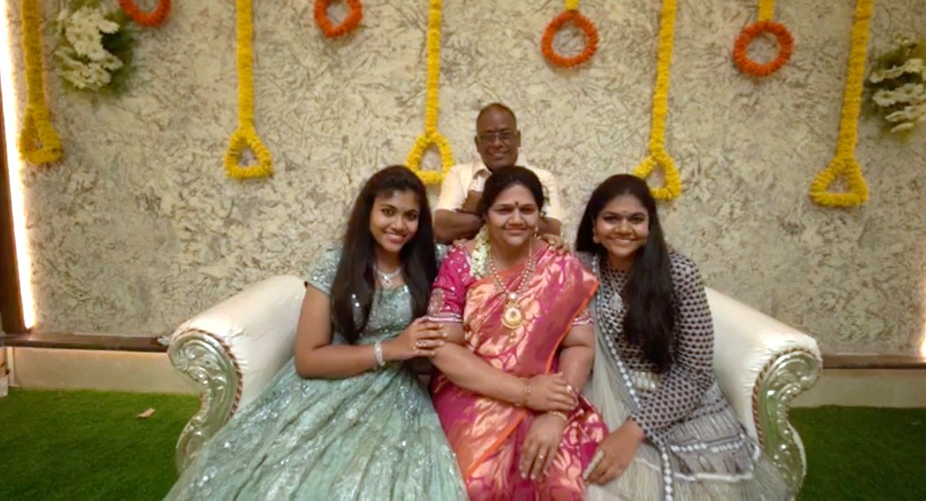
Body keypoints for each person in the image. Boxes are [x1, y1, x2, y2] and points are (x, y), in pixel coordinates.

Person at [166, 166, 466, 500]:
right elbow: (308, 359)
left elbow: (483, 263)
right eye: (388, 212)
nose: (398, 225)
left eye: (410, 215)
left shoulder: (434, 260)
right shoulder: (337, 262)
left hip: (396, 390)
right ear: (368, 212)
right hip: (326, 385)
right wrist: (391, 349)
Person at [575, 175, 789, 500]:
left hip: (673, 397)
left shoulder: (679, 274)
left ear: (650, 226)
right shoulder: (581, 267)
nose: (623, 228)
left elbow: (695, 372)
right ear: (594, 226)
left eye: (636, 219)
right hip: (602, 391)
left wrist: (634, 430)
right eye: (611, 218)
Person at [427, 165, 607, 499]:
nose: (516, 219)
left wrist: (555, 413)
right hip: (472, 389)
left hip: (547, 390)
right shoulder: (461, 263)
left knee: (559, 481)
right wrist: (524, 392)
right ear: (485, 214)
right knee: (479, 482)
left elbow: (579, 346)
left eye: (527, 210)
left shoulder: (560, 265)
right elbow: (442, 348)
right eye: (504, 210)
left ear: (540, 215)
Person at [434, 103, 564, 243]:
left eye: (505, 135)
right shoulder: (458, 174)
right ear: (477, 143)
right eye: (489, 137)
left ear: (518, 138)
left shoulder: (542, 178)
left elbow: (552, 230)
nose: (497, 143)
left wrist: (481, 205)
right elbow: (442, 229)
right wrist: (519, 219)